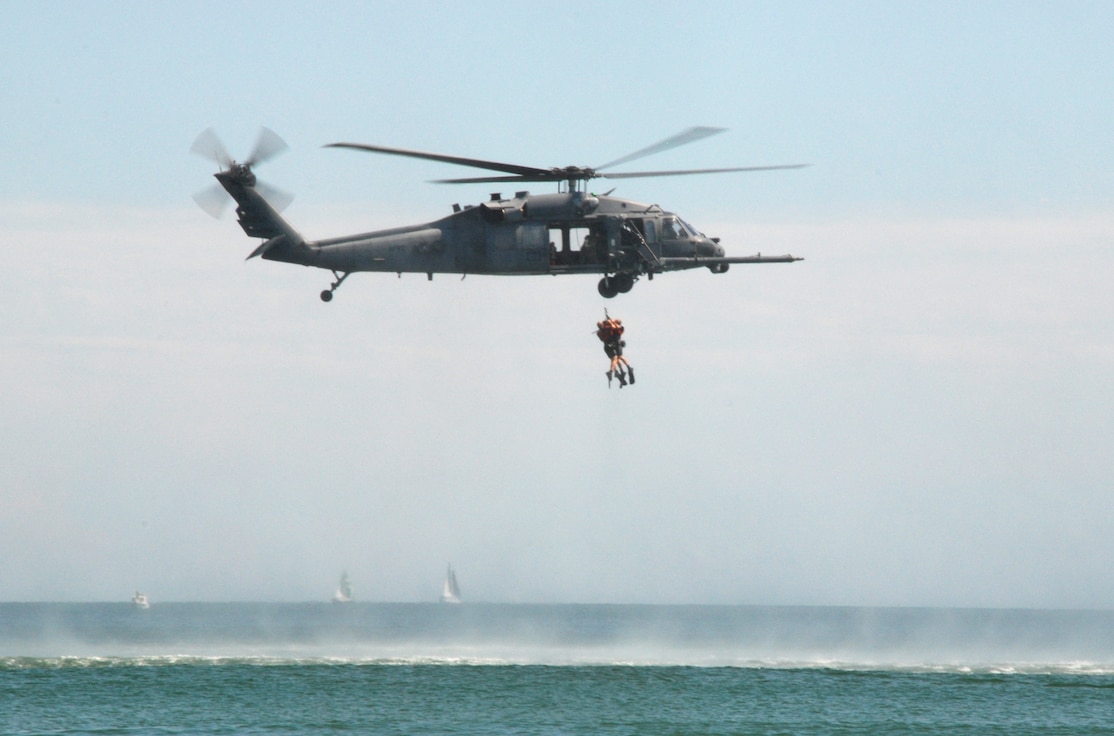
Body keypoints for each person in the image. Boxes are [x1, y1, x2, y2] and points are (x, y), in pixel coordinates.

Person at [596, 315, 635, 388]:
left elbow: (612, 327)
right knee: (617, 358)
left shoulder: (603, 331)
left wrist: (609, 321)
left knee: (615, 358)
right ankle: (622, 370)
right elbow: (612, 327)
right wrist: (609, 320)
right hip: (614, 344)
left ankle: (617, 371)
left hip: (610, 345)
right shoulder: (611, 328)